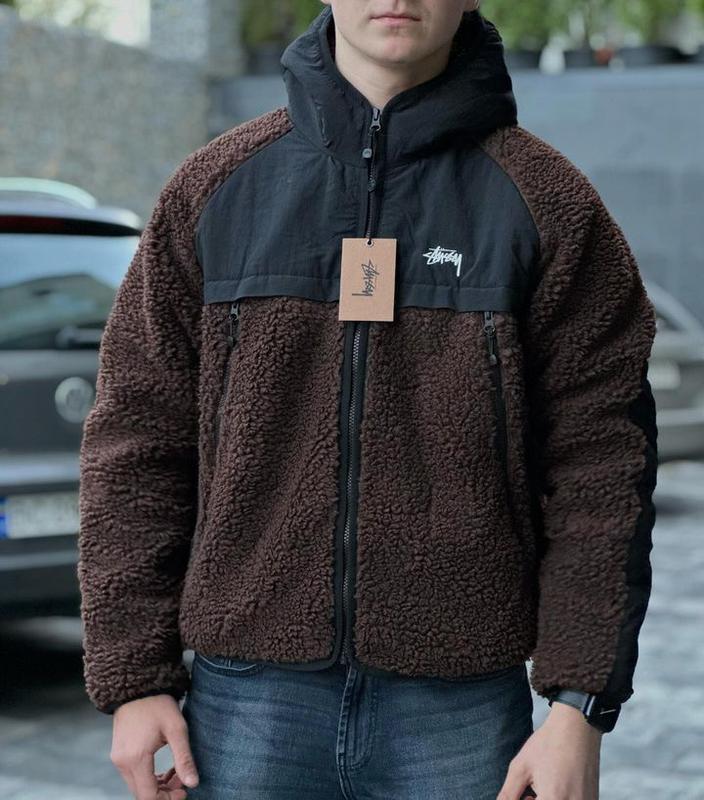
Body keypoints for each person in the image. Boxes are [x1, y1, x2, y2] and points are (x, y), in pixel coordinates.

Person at [77, 1, 658, 799]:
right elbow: (136, 443)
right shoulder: (213, 190)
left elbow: (603, 467)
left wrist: (578, 704)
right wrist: (135, 678)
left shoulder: (548, 204)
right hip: (248, 700)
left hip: (460, 703)